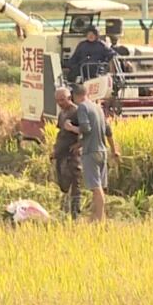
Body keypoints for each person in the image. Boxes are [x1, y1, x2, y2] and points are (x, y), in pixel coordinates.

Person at [69, 83, 120, 223]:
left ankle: (98, 219)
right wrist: (114, 150)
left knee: (96, 188)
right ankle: (98, 217)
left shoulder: (82, 107)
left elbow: (86, 129)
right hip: (102, 151)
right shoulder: (98, 108)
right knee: (99, 187)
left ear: (75, 96)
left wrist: (71, 128)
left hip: (91, 152)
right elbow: (107, 130)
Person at [50, 87, 83, 219]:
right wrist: (55, 150)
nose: (60, 103)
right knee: (63, 185)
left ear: (69, 98)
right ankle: (64, 212)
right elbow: (61, 133)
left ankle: (75, 214)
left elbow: (87, 131)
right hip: (61, 153)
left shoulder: (77, 112)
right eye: (57, 100)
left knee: (75, 184)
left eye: (62, 100)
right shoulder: (62, 114)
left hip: (72, 155)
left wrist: (79, 144)